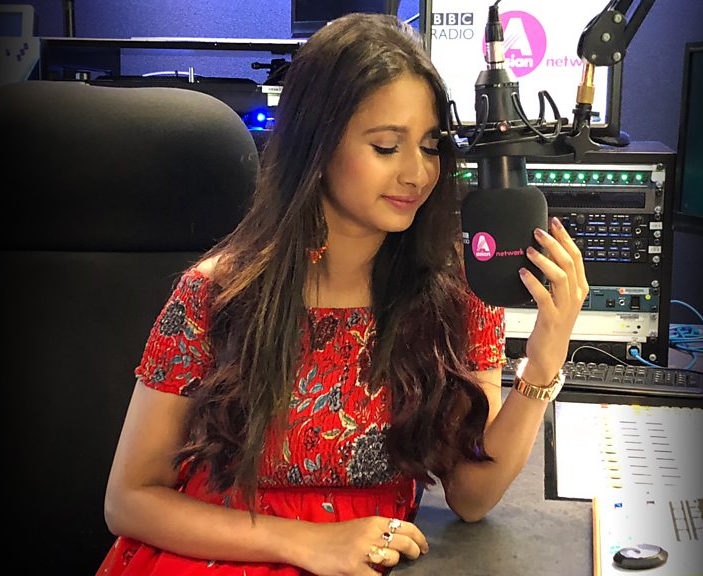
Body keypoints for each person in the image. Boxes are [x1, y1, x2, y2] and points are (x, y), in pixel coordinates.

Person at [98, 12, 588, 576]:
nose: (417, 173)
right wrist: (306, 541)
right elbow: (129, 499)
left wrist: (545, 357)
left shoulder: (455, 295)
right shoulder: (215, 293)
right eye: (386, 146)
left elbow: (472, 497)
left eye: (430, 146)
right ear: (317, 145)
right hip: (220, 550)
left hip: (366, 554)